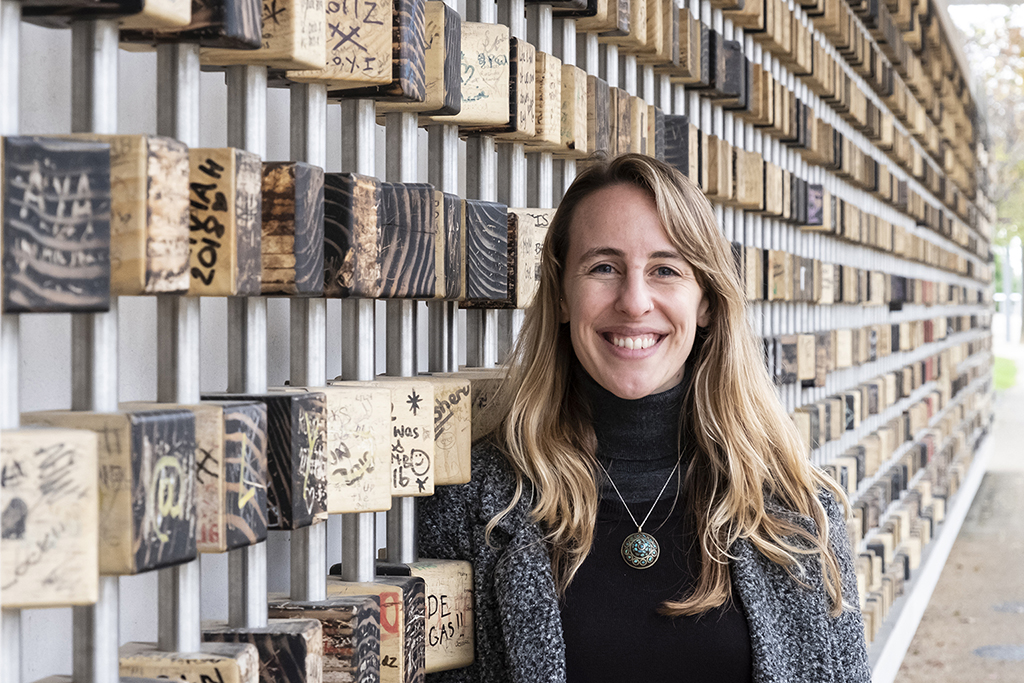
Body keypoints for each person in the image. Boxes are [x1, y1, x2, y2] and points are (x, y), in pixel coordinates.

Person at [418, 154, 871, 682]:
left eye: (665, 270)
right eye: (603, 267)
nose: (634, 302)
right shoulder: (478, 503)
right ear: (563, 295)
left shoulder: (794, 515)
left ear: (705, 301)